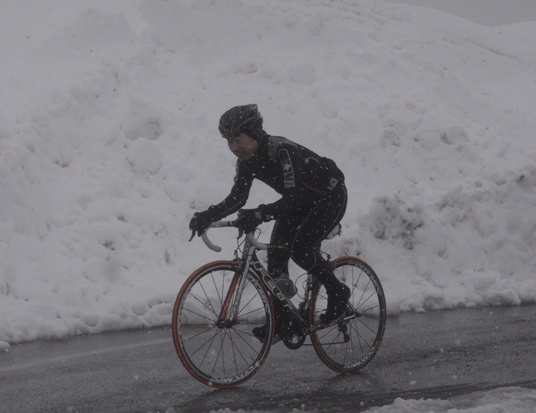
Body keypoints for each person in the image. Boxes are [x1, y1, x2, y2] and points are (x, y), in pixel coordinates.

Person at [189, 104, 350, 340]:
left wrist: (260, 213)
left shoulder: (281, 150)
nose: (233, 147)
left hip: (328, 197)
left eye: (237, 138)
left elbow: (295, 197)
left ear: (253, 132)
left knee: (301, 250)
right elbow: (237, 198)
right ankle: (283, 320)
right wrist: (208, 215)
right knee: (275, 256)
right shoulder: (246, 161)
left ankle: (338, 292)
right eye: (228, 141)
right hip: (301, 202)